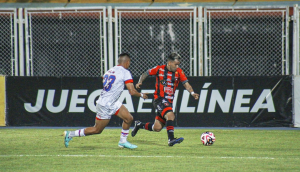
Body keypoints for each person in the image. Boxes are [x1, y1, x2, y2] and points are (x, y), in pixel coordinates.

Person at [63, 53, 148, 149]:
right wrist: (141, 95)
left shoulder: (109, 71)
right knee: (97, 129)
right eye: (129, 63)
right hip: (105, 105)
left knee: (128, 118)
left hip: (112, 102)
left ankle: (122, 142)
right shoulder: (125, 72)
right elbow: (132, 92)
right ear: (127, 62)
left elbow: (105, 82)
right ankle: (70, 134)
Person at [131, 52, 199, 146]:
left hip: (169, 102)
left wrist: (192, 93)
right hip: (159, 99)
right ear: (169, 63)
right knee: (170, 115)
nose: (177, 66)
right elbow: (145, 73)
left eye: (178, 64)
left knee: (157, 128)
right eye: (176, 64)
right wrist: (139, 82)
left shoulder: (179, 72)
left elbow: (186, 84)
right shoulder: (159, 69)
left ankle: (139, 125)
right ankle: (171, 139)